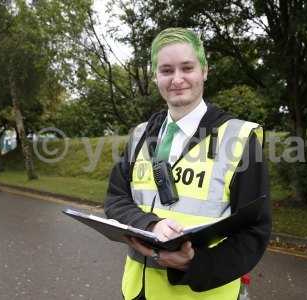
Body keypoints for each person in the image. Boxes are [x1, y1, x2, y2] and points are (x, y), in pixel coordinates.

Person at [104, 27, 271, 300]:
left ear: (204, 71)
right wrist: (149, 225)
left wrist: (194, 264)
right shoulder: (139, 135)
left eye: (187, 68)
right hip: (136, 291)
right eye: (167, 70)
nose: (177, 79)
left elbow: (255, 230)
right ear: (156, 76)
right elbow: (116, 198)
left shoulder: (240, 138)